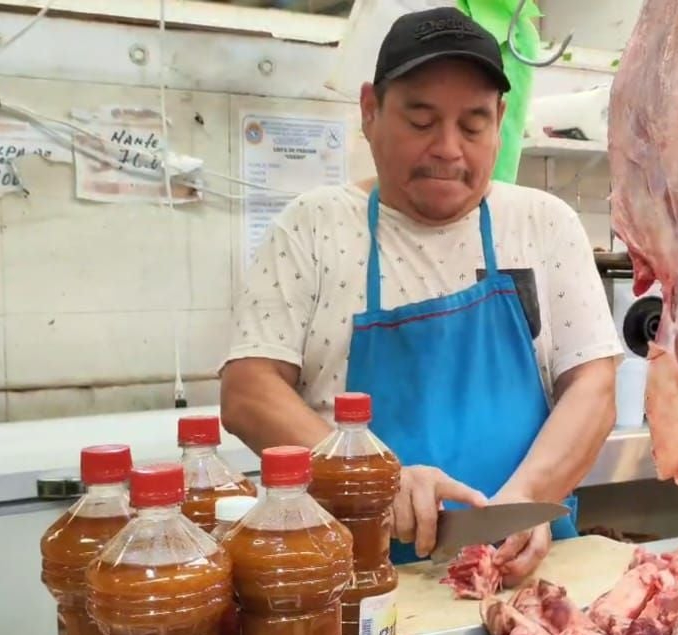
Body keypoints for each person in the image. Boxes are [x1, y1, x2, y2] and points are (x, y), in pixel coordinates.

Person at [219, 8, 622, 584]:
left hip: (523, 574)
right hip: (350, 580)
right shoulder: (314, 226)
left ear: (501, 120)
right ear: (370, 111)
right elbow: (248, 392)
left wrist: (525, 500)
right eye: (421, 119)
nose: (448, 148)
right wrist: (376, 476)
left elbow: (593, 386)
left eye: (474, 124)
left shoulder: (544, 224)